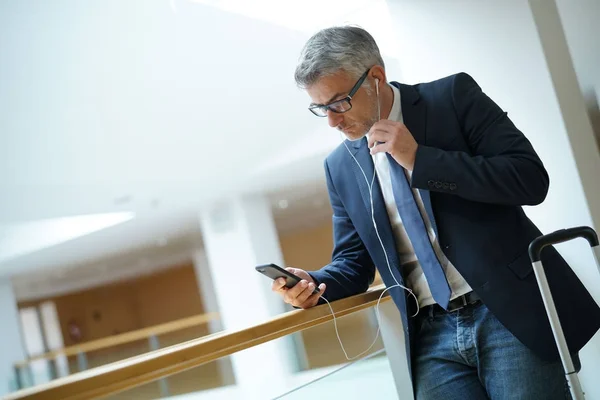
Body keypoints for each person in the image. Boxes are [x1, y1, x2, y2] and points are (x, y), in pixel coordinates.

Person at [271, 26, 600, 399]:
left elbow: (529, 178)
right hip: (429, 337)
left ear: (375, 77)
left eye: (338, 102)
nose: (332, 120)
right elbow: (353, 262)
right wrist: (313, 283)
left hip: (508, 317)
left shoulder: (452, 97)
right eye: (320, 108)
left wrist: (421, 160)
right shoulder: (340, 166)